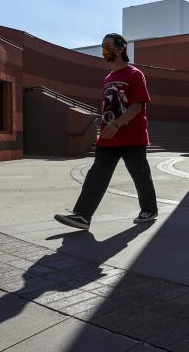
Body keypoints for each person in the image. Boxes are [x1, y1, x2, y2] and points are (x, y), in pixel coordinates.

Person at [54, 33, 158, 230]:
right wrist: (104, 129)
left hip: (132, 137)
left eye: (107, 46)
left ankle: (149, 209)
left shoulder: (135, 74)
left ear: (120, 49)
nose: (104, 50)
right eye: (102, 46)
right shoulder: (108, 78)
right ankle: (82, 216)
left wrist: (117, 124)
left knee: (140, 175)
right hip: (108, 137)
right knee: (96, 175)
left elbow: (137, 106)